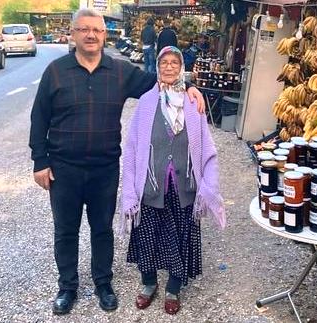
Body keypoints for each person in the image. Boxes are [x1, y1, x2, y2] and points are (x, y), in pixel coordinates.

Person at [28, 9, 205, 316]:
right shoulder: (56, 71)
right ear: (73, 34)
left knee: (102, 229)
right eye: (83, 29)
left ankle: (103, 283)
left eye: (96, 29)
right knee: (65, 230)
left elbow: (160, 79)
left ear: (104, 34)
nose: (91, 35)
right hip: (63, 168)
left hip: (105, 168)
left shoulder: (120, 71)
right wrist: (39, 161)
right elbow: (38, 116)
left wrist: (188, 86)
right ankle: (67, 287)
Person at [120, 46, 226, 315]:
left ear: (181, 68)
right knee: (147, 236)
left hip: (184, 187)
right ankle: (148, 284)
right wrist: (131, 187)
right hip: (151, 185)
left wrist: (208, 186)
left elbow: (207, 148)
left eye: (174, 62)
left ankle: (173, 289)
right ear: (158, 66)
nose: (168, 67)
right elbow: (132, 147)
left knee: (180, 237)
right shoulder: (146, 102)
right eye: (164, 62)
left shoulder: (193, 103)